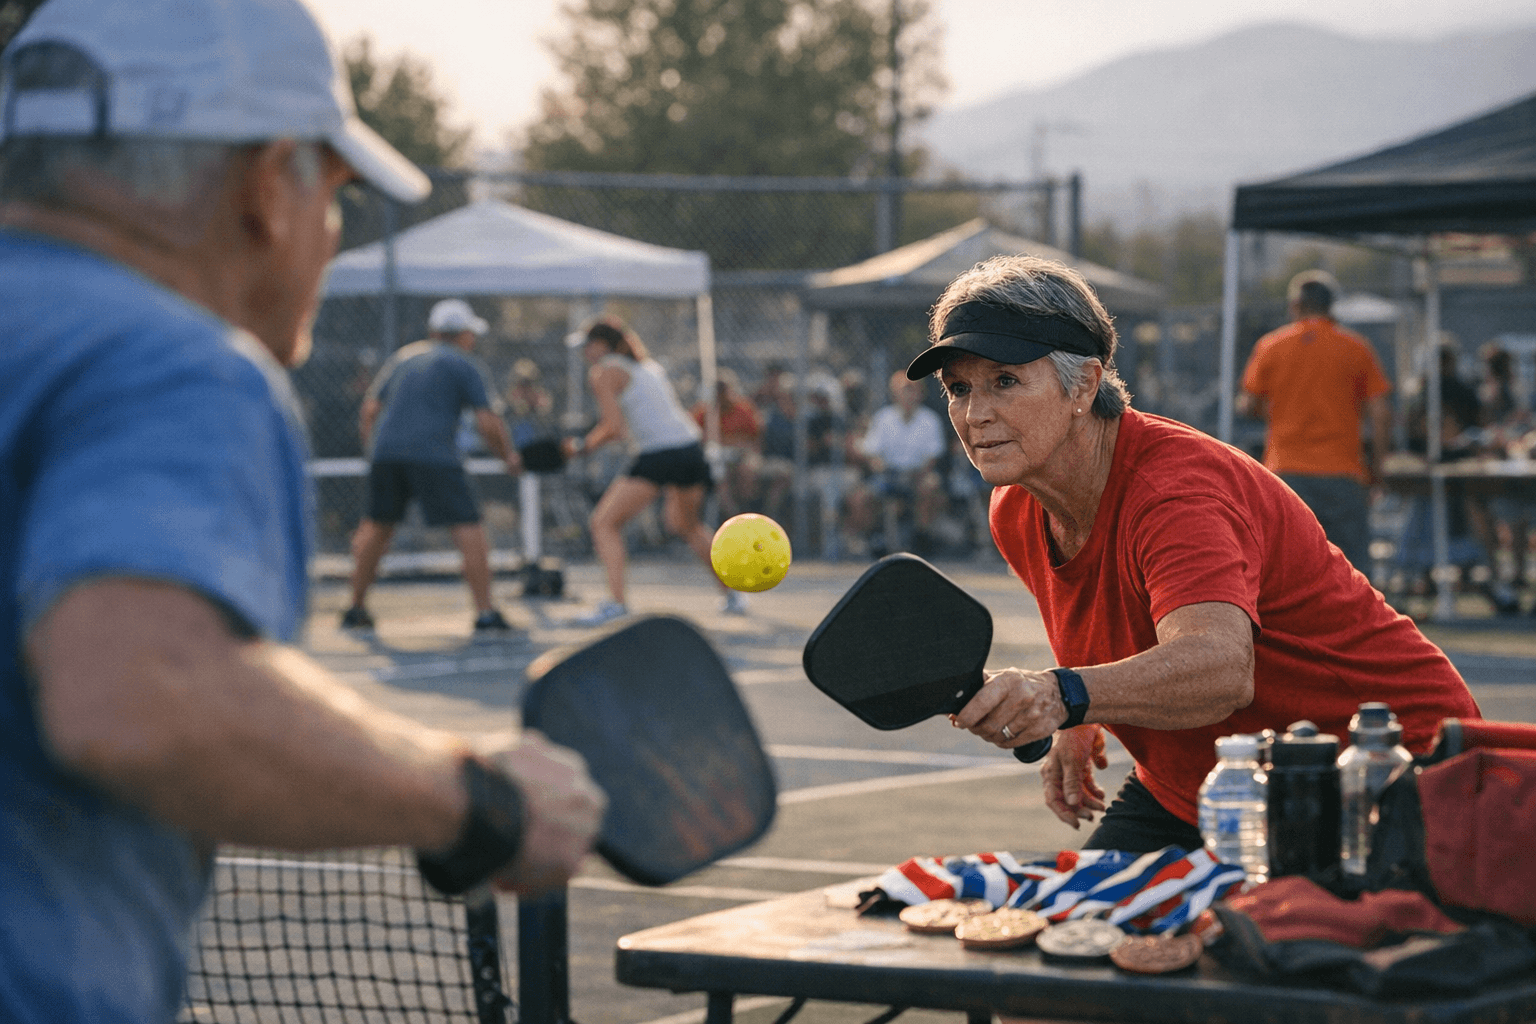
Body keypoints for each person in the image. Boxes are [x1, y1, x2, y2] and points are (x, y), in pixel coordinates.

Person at [0, 1, 605, 1019]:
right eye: (335, 195)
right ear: (267, 187)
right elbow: (140, 697)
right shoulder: (172, 362)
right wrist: (477, 802)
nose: (331, 233)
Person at [908, 255, 1479, 853]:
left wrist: (1062, 696)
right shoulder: (1016, 509)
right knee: (1075, 908)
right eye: (958, 388)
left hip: (1383, 768)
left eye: (1005, 381)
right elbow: (1105, 623)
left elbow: (1219, 669)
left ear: (1084, 385)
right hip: (1210, 778)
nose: (975, 414)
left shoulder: (1174, 494)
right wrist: (1076, 719)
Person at [342, 298, 523, 634]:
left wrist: (374, 452)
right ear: (464, 335)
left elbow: (370, 410)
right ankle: (485, 613)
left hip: (386, 455)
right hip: (435, 456)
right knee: (468, 527)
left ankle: (355, 608)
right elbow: (487, 422)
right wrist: (508, 457)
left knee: (377, 526)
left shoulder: (403, 358)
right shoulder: (465, 364)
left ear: (434, 331)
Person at [563, 317, 744, 624]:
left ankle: (615, 604)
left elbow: (614, 428)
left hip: (658, 454)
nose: (585, 352)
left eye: (589, 345)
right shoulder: (648, 367)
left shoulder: (604, 372)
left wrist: (580, 447)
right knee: (686, 524)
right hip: (690, 449)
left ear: (603, 345)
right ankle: (734, 593)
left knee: (604, 524)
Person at [1238, 270, 1391, 576]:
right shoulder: (1356, 347)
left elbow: (1247, 404)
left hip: (1285, 473)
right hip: (1343, 472)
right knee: (1353, 573)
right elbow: (1380, 413)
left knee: (1288, 571)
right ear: (1331, 306)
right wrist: (1378, 466)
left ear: (1295, 305)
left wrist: (1279, 406)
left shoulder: (1271, 346)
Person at [850, 371, 947, 557]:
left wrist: (917, 474)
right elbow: (872, 452)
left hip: (917, 475)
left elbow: (932, 458)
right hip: (888, 476)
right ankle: (874, 539)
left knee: (930, 486)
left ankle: (921, 539)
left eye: (912, 390)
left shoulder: (930, 420)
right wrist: (878, 465)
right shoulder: (883, 418)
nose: (908, 394)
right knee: (861, 497)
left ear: (920, 393)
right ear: (894, 393)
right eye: (903, 390)